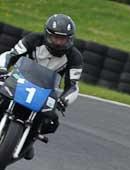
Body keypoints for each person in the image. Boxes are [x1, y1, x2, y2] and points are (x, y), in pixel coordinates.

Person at [0, 14, 82, 160]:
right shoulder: (33, 39)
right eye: (55, 37)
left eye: (63, 39)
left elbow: (73, 86)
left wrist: (64, 100)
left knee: (51, 122)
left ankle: (27, 142)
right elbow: (10, 55)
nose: (58, 42)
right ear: (47, 34)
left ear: (70, 39)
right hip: (18, 81)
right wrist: (3, 69)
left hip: (45, 92)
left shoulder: (74, 57)